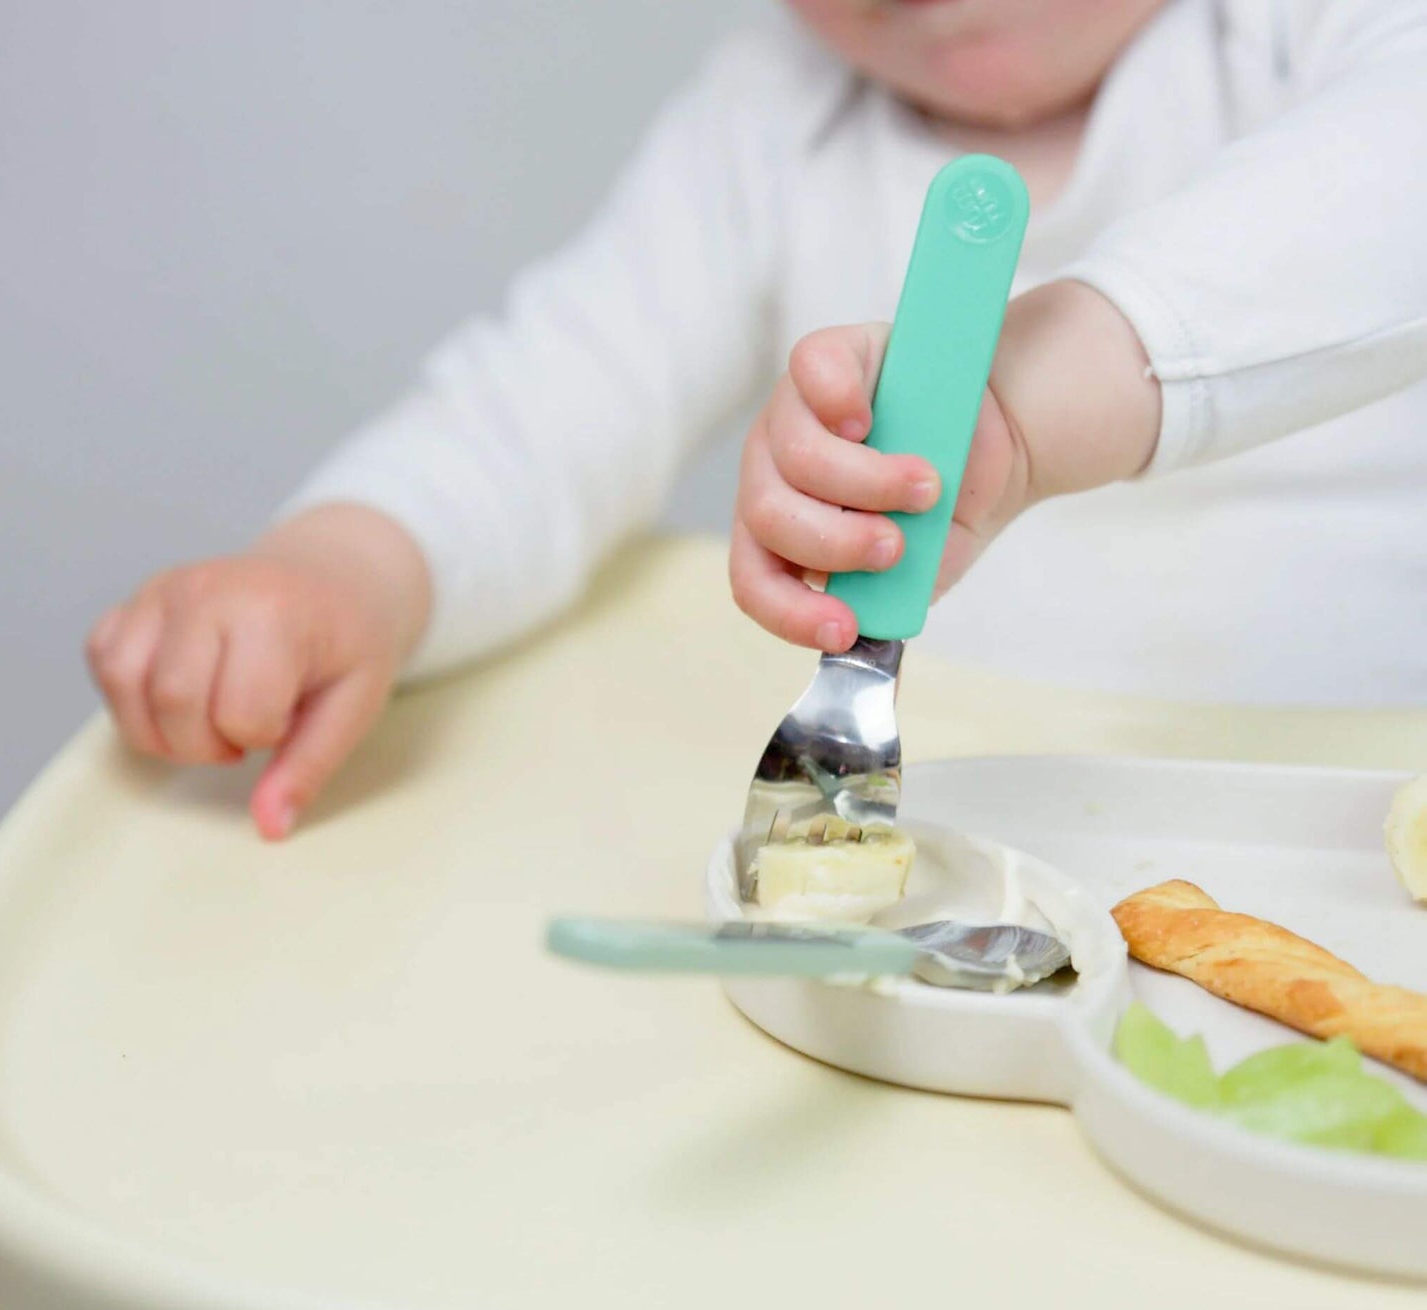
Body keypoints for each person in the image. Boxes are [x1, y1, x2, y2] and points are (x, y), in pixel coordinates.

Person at [86, 0, 1427, 841]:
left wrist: (1042, 383)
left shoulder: (1304, 31)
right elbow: (546, 399)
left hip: (1367, 840)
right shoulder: (769, 120)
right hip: (958, 864)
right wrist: (350, 566)